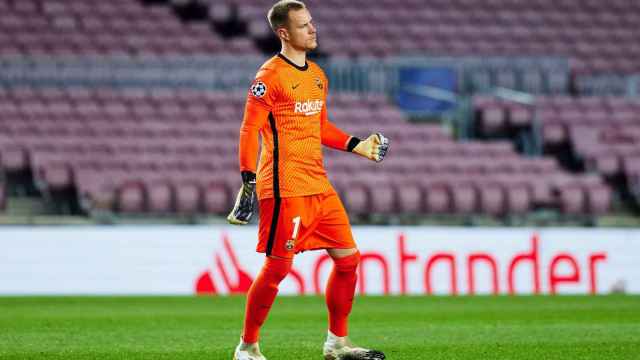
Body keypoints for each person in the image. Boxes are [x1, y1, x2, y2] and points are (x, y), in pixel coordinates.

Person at [227, 1, 389, 359]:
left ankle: (337, 344)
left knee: (348, 260)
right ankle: (247, 347)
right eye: (304, 25)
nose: (313, 29)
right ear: (284, 33)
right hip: (285, 187)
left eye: (312, 22)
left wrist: (356, 145)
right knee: (277, 269)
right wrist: (248, 181)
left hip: (319, 185)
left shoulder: (317, 75)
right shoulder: (268, 77)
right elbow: (248, 129)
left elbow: (319, 126)